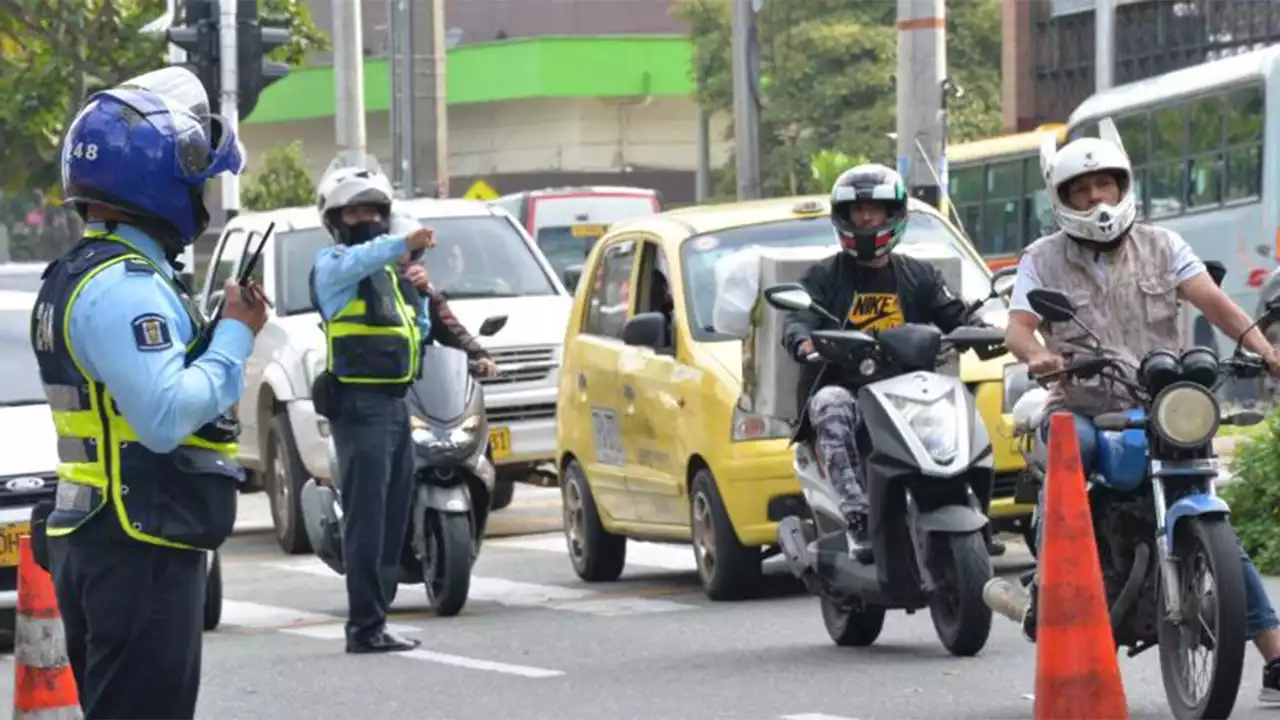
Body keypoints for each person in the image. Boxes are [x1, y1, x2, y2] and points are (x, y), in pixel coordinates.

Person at [1004, 125, 1280, 702]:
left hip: (1161, 404)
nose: (1098, 199)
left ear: (1124, 185)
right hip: (1082, 403)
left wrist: (1265, 350)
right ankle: (1048, 587)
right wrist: (1041, 356)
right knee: (1069, 455)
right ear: (1062, 197)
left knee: (1210, 511)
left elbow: (1217, 304)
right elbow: (1019, 328)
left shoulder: (1164, 245)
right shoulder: (1041, 258)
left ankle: (1275, 656)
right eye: (1082, 190)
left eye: (1107, 183)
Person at [29, 67, 264, 719]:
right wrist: (236, 336)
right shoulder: (126, 287)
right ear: (153, 181)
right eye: (196, 183)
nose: (202, 200)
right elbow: (163, 416)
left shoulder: (77, 274)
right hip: (138, 548)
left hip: (105, 540)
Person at [782, 164, 977, 562]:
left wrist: (981, 329)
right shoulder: (823, 276)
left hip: (910, 390)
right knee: (830, 405)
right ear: (844, 217)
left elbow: (954, 312)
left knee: (960, 406)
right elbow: (798, 318)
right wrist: (803, 341)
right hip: (848, 386)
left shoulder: (918, 274)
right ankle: (856, 515)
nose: (867, 218)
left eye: (876, 209)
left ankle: (967, 506)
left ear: (894, 215)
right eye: (859, 211)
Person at [309, 162, 436, 654]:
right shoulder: (334, 267)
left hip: (396, 403)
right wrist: (402, 245)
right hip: (360, 407)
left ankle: (377, 618)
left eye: (374, 210)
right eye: (354, 210)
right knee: (365, 518)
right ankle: (363, 626)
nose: (366, 218)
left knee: (391, 517)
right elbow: (366, 257)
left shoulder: (390, 275)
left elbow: (417, 334)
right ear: (337, 220)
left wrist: (419, 293)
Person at [398, 253, 500, 376]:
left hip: (417, 380)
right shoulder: (373, 282)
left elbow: (451, 329)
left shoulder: (424, 292)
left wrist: (479, 356)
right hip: (376, 378)